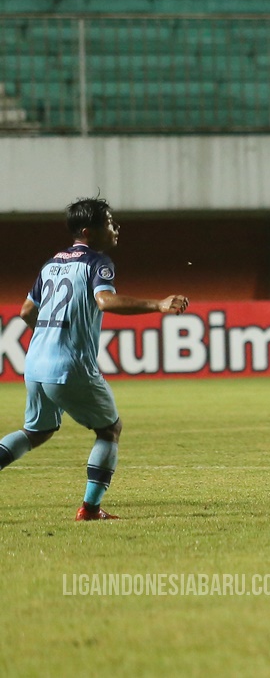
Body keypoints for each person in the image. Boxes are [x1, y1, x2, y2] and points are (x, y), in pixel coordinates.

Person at [0, 198, 189, 520]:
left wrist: (50, 335)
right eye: (110, 223)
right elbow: (104, 300)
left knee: (37, 431)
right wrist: (158, 304)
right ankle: (90, 509)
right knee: (109, 430)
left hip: (34, 363)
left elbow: (25, 312)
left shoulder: (51, 264)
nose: (116, 228)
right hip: (69, 365)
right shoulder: (95, 261)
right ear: (89, 231)